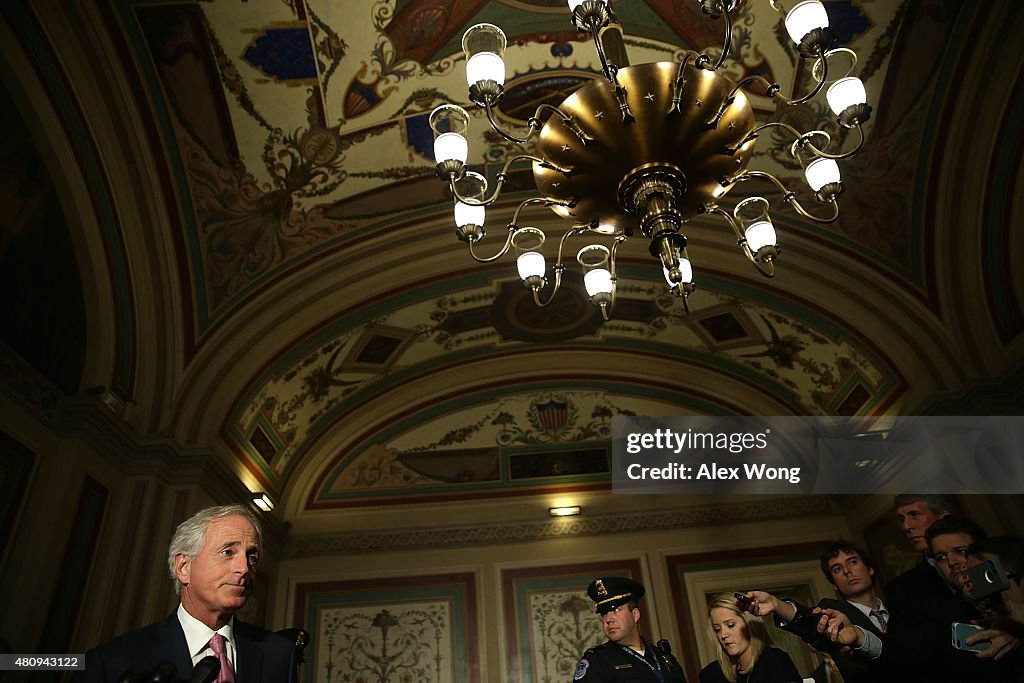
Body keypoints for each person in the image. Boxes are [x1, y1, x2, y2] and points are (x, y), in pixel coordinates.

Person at [77, 504, 296, 683]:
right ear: (183, 567)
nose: (244, 568)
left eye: (252, 557)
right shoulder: (113, 660)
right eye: (228, 552)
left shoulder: (279, 655)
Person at [742, 541, 894, 682]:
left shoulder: (902, 606)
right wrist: (776, 604)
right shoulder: (833, 612)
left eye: (852, 562)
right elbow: (808, 622)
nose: (847, 571)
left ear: (870, 569)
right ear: (834, 584)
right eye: (837, 569)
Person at [572, 576, 687, 683]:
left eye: (616, 610)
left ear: (635, 614)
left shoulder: (664, 658)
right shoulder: (597, 661)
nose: (608, 619)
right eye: (604, 613)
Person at [698, 593, 800, 683]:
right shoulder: (711, 675)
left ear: (749, 624)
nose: (723, 635)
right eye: (717, 629)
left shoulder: (774, 661)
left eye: (730, 625)